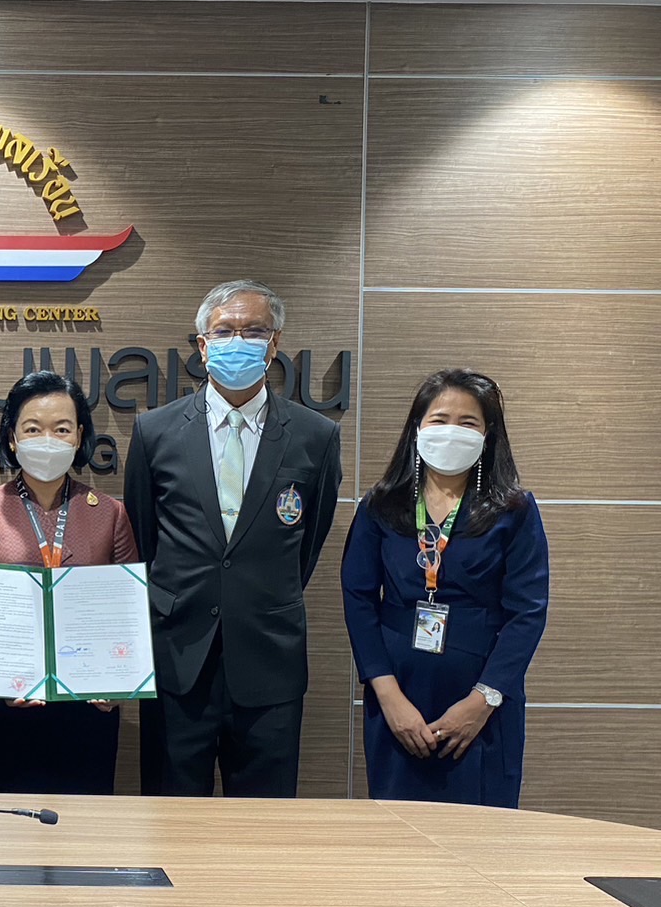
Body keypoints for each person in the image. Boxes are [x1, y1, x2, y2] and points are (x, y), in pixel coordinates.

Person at [124, 279, 342, 798]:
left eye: (254, 331)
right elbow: (143, 539)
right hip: (178, 659)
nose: (237, 341)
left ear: (275, 343)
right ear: (203, 346)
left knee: (264, 826)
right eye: (224, 331)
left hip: (269, 661)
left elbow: (308, 543)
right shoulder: (155, 431)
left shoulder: (315, 436)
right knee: (172, 819)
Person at [341, 369, 548, 807]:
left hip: (483, 703)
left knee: (480, 831)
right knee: (400, 831)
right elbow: (358, 599)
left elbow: (527, 613)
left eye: (468, 422)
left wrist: (482, 701)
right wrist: (388, 697)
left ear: (487, 435)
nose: (452, 431)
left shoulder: (513, 509)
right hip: (398, 698)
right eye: (439, 419)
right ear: (417, 428)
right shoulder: (381, 505)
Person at [0, 372, 138, 795]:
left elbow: (130, 611)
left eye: (62, 429)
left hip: (86, 708)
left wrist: (117, 681)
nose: (47, 439)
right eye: (33, 429)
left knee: (82, 824)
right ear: (12, 438)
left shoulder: (109, 514)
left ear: (79, 436)